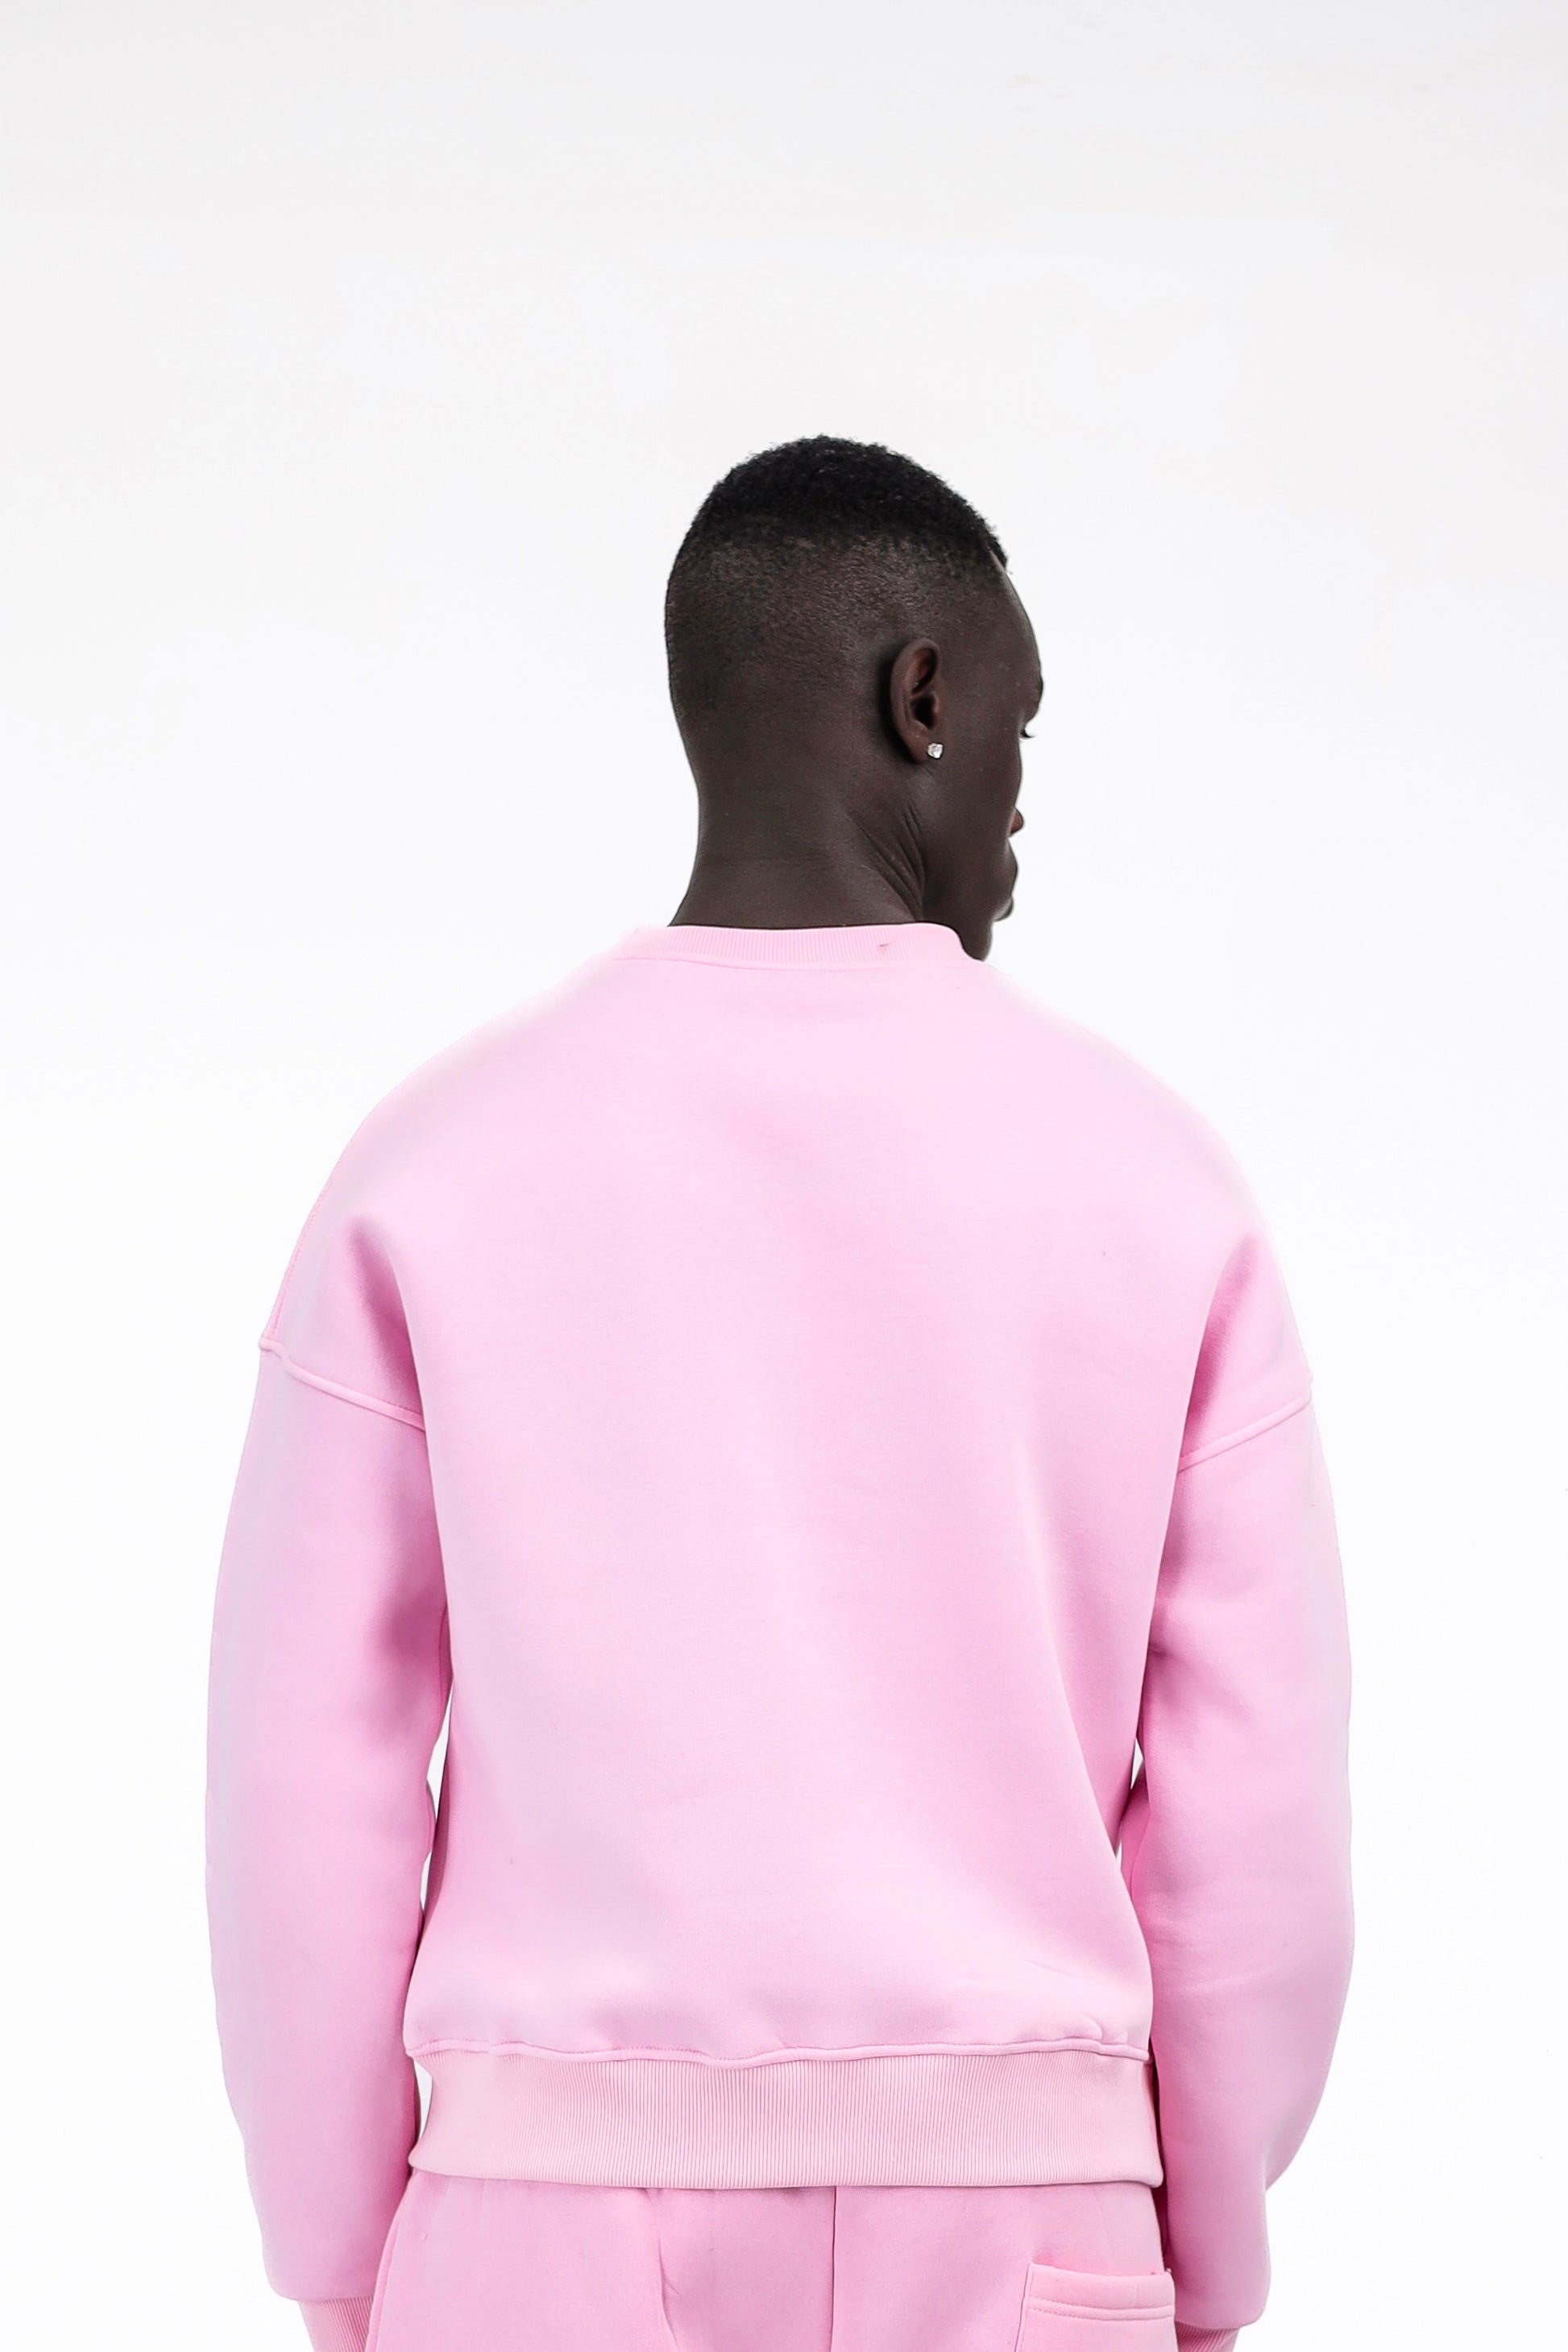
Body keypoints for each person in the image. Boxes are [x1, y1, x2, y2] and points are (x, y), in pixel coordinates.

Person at [205, 437, 1353, 2352]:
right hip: (1029, 2227)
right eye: (1018, 732)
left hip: (538, 2222)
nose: (1018, 805)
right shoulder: (1157, 1188)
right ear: (922, 697)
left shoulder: (431, 1168)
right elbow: (1258, 1818)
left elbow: (302, 1770)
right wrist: (1204, 2259)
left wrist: (342, 2257)